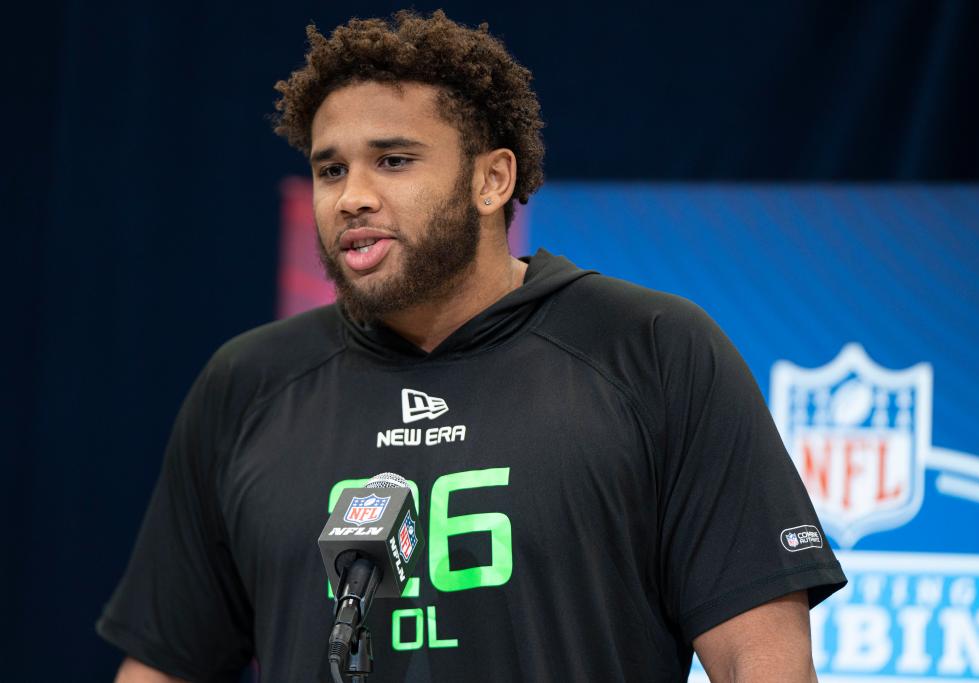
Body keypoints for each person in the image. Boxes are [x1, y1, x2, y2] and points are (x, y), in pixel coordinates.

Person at [99, 10, 846, 682]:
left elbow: (763, 660)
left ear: (493, 180)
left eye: (392, 160)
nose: (351, 194)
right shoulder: (248, 383)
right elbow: (165, 663)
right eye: (331, 168)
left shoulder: (650, 349)